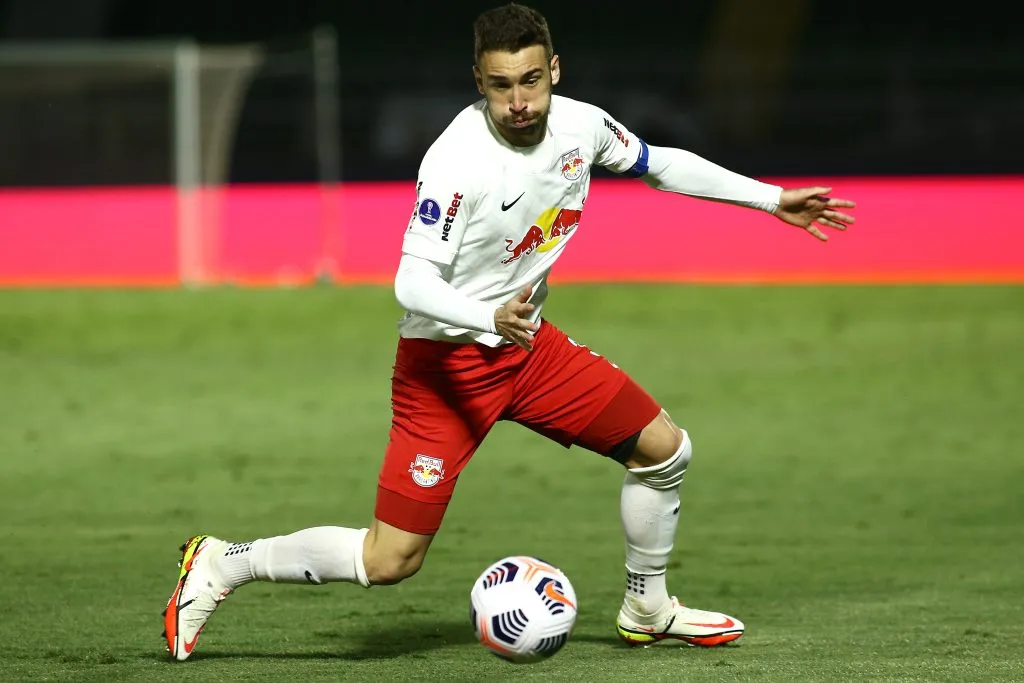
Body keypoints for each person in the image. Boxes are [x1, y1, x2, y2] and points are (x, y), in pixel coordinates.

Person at [162, 2, 855, 660]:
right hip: (445, 367)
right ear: (479, 81)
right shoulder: (456, 163)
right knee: (390, 560)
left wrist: (771, 199)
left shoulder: (582, 126)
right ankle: (224, 562)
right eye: (500, 86)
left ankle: (647, 607)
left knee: (663, 450)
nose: (518, 101)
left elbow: (657, 163)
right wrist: (486, 316)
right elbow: (412, 282)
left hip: (528, 351)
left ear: (554, 69)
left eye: (529, 80)